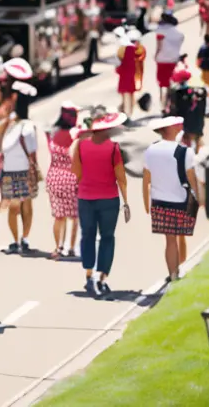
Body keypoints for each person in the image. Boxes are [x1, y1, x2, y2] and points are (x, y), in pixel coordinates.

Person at [71, 109, 130, 296]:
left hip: (86, 198)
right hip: (108, 200)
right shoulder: (114, 148)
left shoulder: (80, 145)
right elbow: (121, 178)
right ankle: (102, 277)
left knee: (87, 235)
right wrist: (126, 202)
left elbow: (76, 173)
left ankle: (89, 275)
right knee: (107, 238)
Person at [142, 117, 200, 283]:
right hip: (181, 199)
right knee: (179, 236)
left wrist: (146, 202)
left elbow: (146, 179)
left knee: (170, 240)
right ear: (171, 129)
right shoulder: (185, 151)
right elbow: (192, 178)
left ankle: (174, 274)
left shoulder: (151, 150)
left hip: (159, 201)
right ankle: (179, 270)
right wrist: (199, 197)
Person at [0, 82, 39, 254]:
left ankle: (22, 239)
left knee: (20, 207)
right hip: (16, 171)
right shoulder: (14, 124)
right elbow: (33, 152)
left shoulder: (19, 125)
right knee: (19, 206)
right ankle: (19, 239)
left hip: (18, 171)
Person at [46, 103, 80, 259]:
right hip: (70, 178)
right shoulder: (75, 135)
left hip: (53, 177)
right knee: (74, 216)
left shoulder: (53, 133)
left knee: (59, 216)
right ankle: (71, 248)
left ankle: (58, 247)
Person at [154, 13, 184, 108]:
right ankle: (170, 102)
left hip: (162, 60)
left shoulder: (161, 31)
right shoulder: (179, 34)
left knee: (161, 83)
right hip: (174, 59)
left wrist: (155, 56)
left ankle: (163, 104)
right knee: (170, 81)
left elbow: (159, 46)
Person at [114, 27, 146, 118]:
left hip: (128, 76)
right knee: (128, 96)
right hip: (130, 76)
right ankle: (125, 114)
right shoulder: (138, 50)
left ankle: (125, 114)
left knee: (128, 96)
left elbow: (117, 63)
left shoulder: (123, 49)